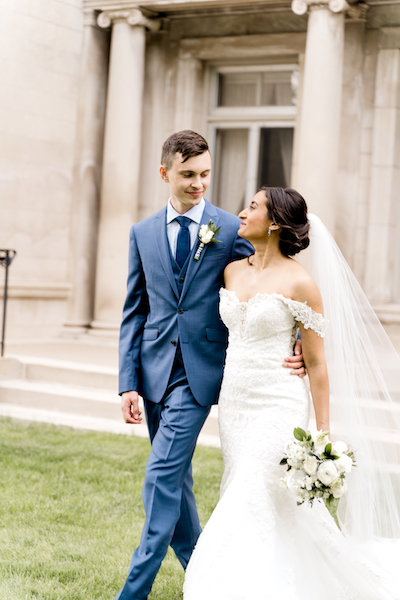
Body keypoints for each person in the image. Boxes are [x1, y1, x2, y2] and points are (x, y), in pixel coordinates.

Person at [183, 187, 400, 599]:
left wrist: (322, 434)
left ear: (276, 223)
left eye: (252, 207)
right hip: (235, 402)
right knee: (261, 495)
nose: (241, 214)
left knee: (253, 488)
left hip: (279, 402)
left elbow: (317, 364)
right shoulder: (230, 271)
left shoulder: (302, 283)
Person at [116, 132, 305, 600]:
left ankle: (134, 589)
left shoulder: (230, 229)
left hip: (201, 374)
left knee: (161, 474)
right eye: (188, 175)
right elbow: (134, 310)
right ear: (165, 174)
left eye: (205, 174)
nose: (199, 183)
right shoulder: (141, 233)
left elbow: (274, 279)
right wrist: (127, 382)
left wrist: (295, 335)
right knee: (176, 484)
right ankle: (206, 575)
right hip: (153, 370)